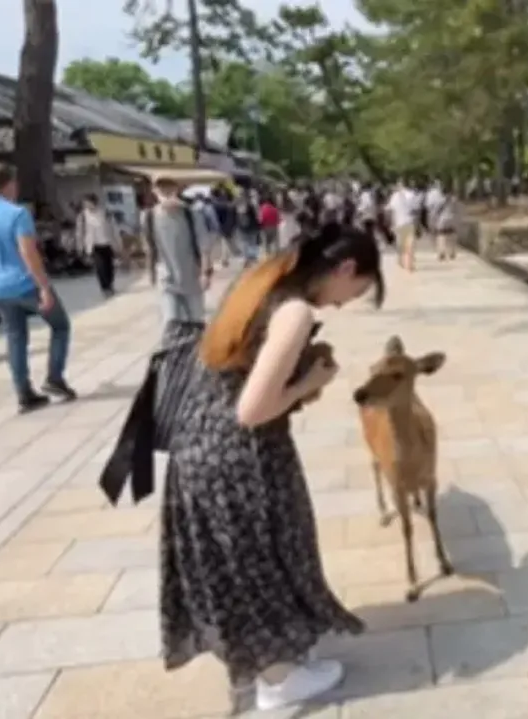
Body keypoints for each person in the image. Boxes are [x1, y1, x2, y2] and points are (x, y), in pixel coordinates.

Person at [161, 221, 383, 713]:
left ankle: (277, 666)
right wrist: (312, 381)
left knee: (245, 561)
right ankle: (278, 681)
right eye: (358, 289)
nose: (347, 302)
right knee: (261, 560)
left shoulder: (261, 282)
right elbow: (252, 409)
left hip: (199, 442)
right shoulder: (296, 310)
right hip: (239, 456)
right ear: (344, 268)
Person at [0, 163, 76, 413]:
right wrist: (44, 286)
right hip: (24, 283)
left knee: (15, 337)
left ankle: (24, 392)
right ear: (9, 183)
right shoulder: (17, 213)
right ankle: (55, 378)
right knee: (60, 325)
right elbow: (28, 252)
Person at [142, 176, 213, 337]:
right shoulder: (149, 216)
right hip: (166, 279)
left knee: (196, 323)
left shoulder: (191, 214)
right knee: (171, 322)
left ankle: (196, 356)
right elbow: (149, 246)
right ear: (154, 191)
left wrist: (205, 272)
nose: (166, 192)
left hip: (192, 278)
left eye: (169, 188)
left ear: (176, 189)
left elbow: (204, 246)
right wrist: (151, 272)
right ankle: (175, 358)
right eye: (161, 189)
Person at [75, 194, 124, 297]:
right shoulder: (83, 216)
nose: (87, 205)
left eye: (89, 203)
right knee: (100, 268)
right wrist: (80, 247)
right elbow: (79, 233)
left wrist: (118, 244)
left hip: (107, 243)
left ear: (95, 202)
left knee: (109, 267)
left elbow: (114, 229)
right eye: (85, 203)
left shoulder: (105, 213)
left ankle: (110, 284)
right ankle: (105, 288)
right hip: (94, 245)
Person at [386, 181, 419, 271]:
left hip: (398, 223)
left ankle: (401, 260)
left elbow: (389, 209)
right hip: (409, 221)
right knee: (409, 243)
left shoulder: (394, 196)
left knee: (400, 244)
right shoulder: (411, 195)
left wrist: (390, 223)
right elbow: (416, 208)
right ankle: (409, 264)